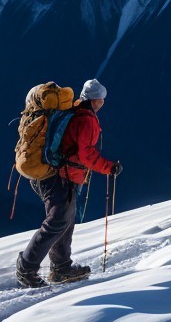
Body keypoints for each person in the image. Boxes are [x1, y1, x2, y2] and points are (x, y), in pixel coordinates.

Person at [16, 78, 122, 287]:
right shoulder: (87, 120)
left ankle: (61, 267)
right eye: (102, 100)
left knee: (66, 221)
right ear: (97, 100)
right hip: (61, 177)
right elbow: (86, 155)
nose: (102, 103)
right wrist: (109, 167)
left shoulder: (74, 110)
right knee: (57, 222)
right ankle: (26, 268)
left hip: (57, 174)